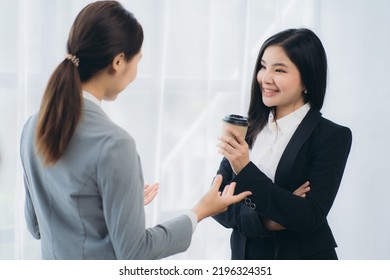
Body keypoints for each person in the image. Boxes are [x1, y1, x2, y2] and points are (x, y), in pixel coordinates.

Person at [19, 1, 251, 260]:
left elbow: (37, 225)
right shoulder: (114, 143)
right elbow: (135, 253)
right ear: (118, 62)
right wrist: (198, 212)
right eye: (137, 61)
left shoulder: (32, 127)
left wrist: (112, 208)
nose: (136, 72)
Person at [214, 28, 352, 260]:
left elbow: (309, 217)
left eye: (279, 70)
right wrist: (268, 221)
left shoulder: (331, 136)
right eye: (263, 66)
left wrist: (245, 170)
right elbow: (218, 202)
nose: (265, 78)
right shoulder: (248, 128)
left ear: (307, 80)